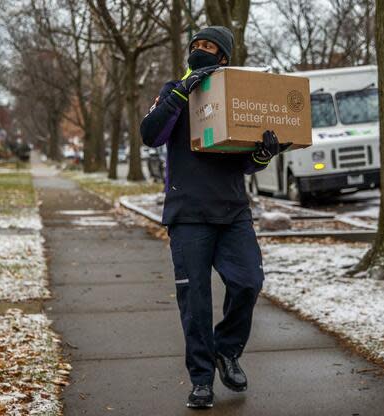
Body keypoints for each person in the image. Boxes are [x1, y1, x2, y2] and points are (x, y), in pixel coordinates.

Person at [140, 26, 291, 409]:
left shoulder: (234, 97)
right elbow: (150, 135)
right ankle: (202, 380)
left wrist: (263, 154)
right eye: (197, 46)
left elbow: (243, 162)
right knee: (196, 302)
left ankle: (227, 351)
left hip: (233, 211)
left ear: (223, 59)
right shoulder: (174, 91)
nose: (202, 51)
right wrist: (183, 89)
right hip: (187, 213)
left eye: (210, 48)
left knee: (248, 282)